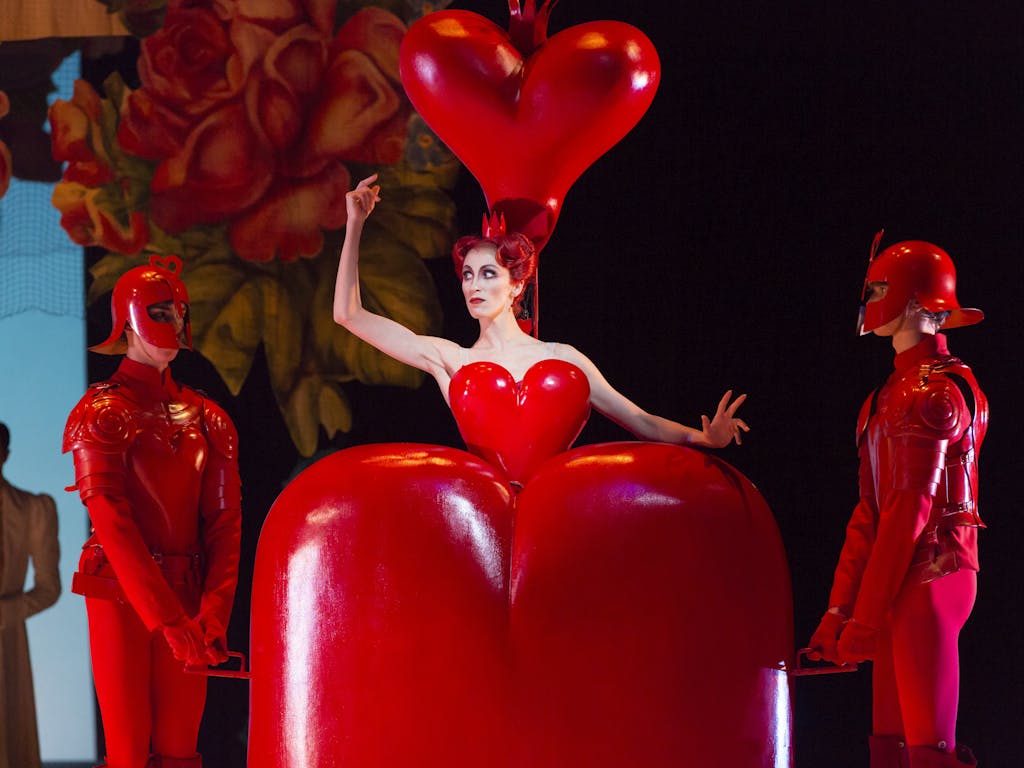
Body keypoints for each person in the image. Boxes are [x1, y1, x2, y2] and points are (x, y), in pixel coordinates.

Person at [332, 174, 748, 483]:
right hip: (483, 514)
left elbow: (641, 421)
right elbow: (348, 314)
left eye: (489, 274)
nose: (475, 285)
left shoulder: (562, 358)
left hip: (555, 515)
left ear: (516, 285)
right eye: (468, 275)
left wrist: (704, 439)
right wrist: (355, 225)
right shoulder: (450, 359)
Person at [806, 238, 987, 768]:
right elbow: (870, 514)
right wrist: (839, 613)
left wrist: (860, 620)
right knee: (889, 747)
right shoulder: (889, 396)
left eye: (879, 290)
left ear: (913, 302)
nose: (868, 302)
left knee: (928, 751)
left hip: (932, 572)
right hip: (901, 575)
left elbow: (911, 512)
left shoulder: (933, 392)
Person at [63, 256, 242, 768]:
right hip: (119, 589)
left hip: (188, 591)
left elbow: (226, 523)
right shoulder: (102, 412)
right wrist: (168, 620)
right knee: (129, 748)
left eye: (180, 313)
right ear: (129, 320)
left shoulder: (211, 418)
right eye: (160, 312)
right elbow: (112, 518)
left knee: (181, 748)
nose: (175, 325)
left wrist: (213, 612)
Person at [0, 422, 60, 768]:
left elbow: (48, 587)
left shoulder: (31, 509)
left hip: (7, 643)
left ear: (5, 456)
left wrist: (5, 613)